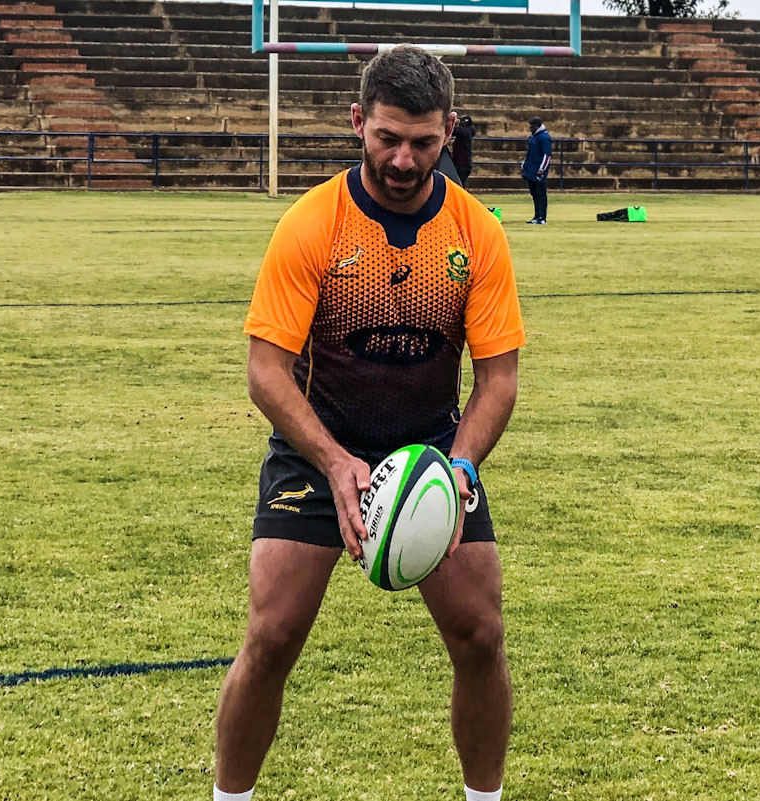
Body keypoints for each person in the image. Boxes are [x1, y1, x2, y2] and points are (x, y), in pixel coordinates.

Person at [213, 45, 524, 801]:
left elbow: (499, 382)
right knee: (272, 636)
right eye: (387, 137)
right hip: (317, 447)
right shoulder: (312, 223)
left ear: (448, 132)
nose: (403, 158)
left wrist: (460, 467)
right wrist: (333, 460)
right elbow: (265, 371)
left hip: (435, 454)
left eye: (422, 142)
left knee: (481, 637)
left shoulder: (477, 232)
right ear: (358, 123)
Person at [520, 116, 550, 224]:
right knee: (534, 194)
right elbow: (529, 154)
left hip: (538, 170)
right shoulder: (533, 137)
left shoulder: (544, 137)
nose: (530, 127)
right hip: (531, 169)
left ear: (536, 126)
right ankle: (536, 216)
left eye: (531, 125)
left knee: (540, 194)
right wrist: (524, 164)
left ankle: (542, 217)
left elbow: (547, 155)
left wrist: (542, 169)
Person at [452, 113, 476, 188]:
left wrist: (452, 123)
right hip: (458, 163)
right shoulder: (466, 132)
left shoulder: (467, 132)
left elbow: (456, 130)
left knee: (460, 186)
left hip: (463, 165)